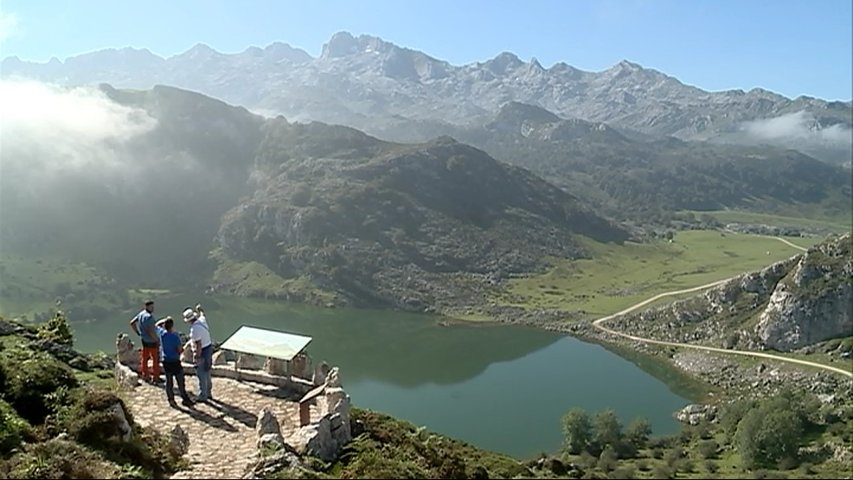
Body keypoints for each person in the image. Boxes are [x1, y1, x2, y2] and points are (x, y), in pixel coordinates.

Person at [155, 317, 194, 407]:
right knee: (180, 380)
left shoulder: (162, 333)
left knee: (169, 382)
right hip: (175, 361)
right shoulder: (175, 336)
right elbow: (179, 349)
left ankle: (171, 400)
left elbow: (156, 325)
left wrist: (164, 320)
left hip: (165, 360)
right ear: (172, 326)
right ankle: (185, 399)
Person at [183, 307, 213, 402]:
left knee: (201, 373)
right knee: (207, 371)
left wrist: (197, 356)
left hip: (202, 351)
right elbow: (203, 314)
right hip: (208, 348)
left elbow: (198, 344)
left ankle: (203, 395)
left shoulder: (194, 329)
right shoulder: (202, 320)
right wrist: (199, 309)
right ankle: (208, 392)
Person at [129, 300, 160, 383]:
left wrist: (138, 332)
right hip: (152, 341)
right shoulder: (149, 317)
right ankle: (156, 377)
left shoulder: (141, 314)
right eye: (151, 307)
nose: (153, 308)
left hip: (144, 339)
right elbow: (151, 331)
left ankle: (145, 375)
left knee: (145, 358)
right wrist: (157, 339)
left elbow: (132, 323)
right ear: (147, 306)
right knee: (155, 359)